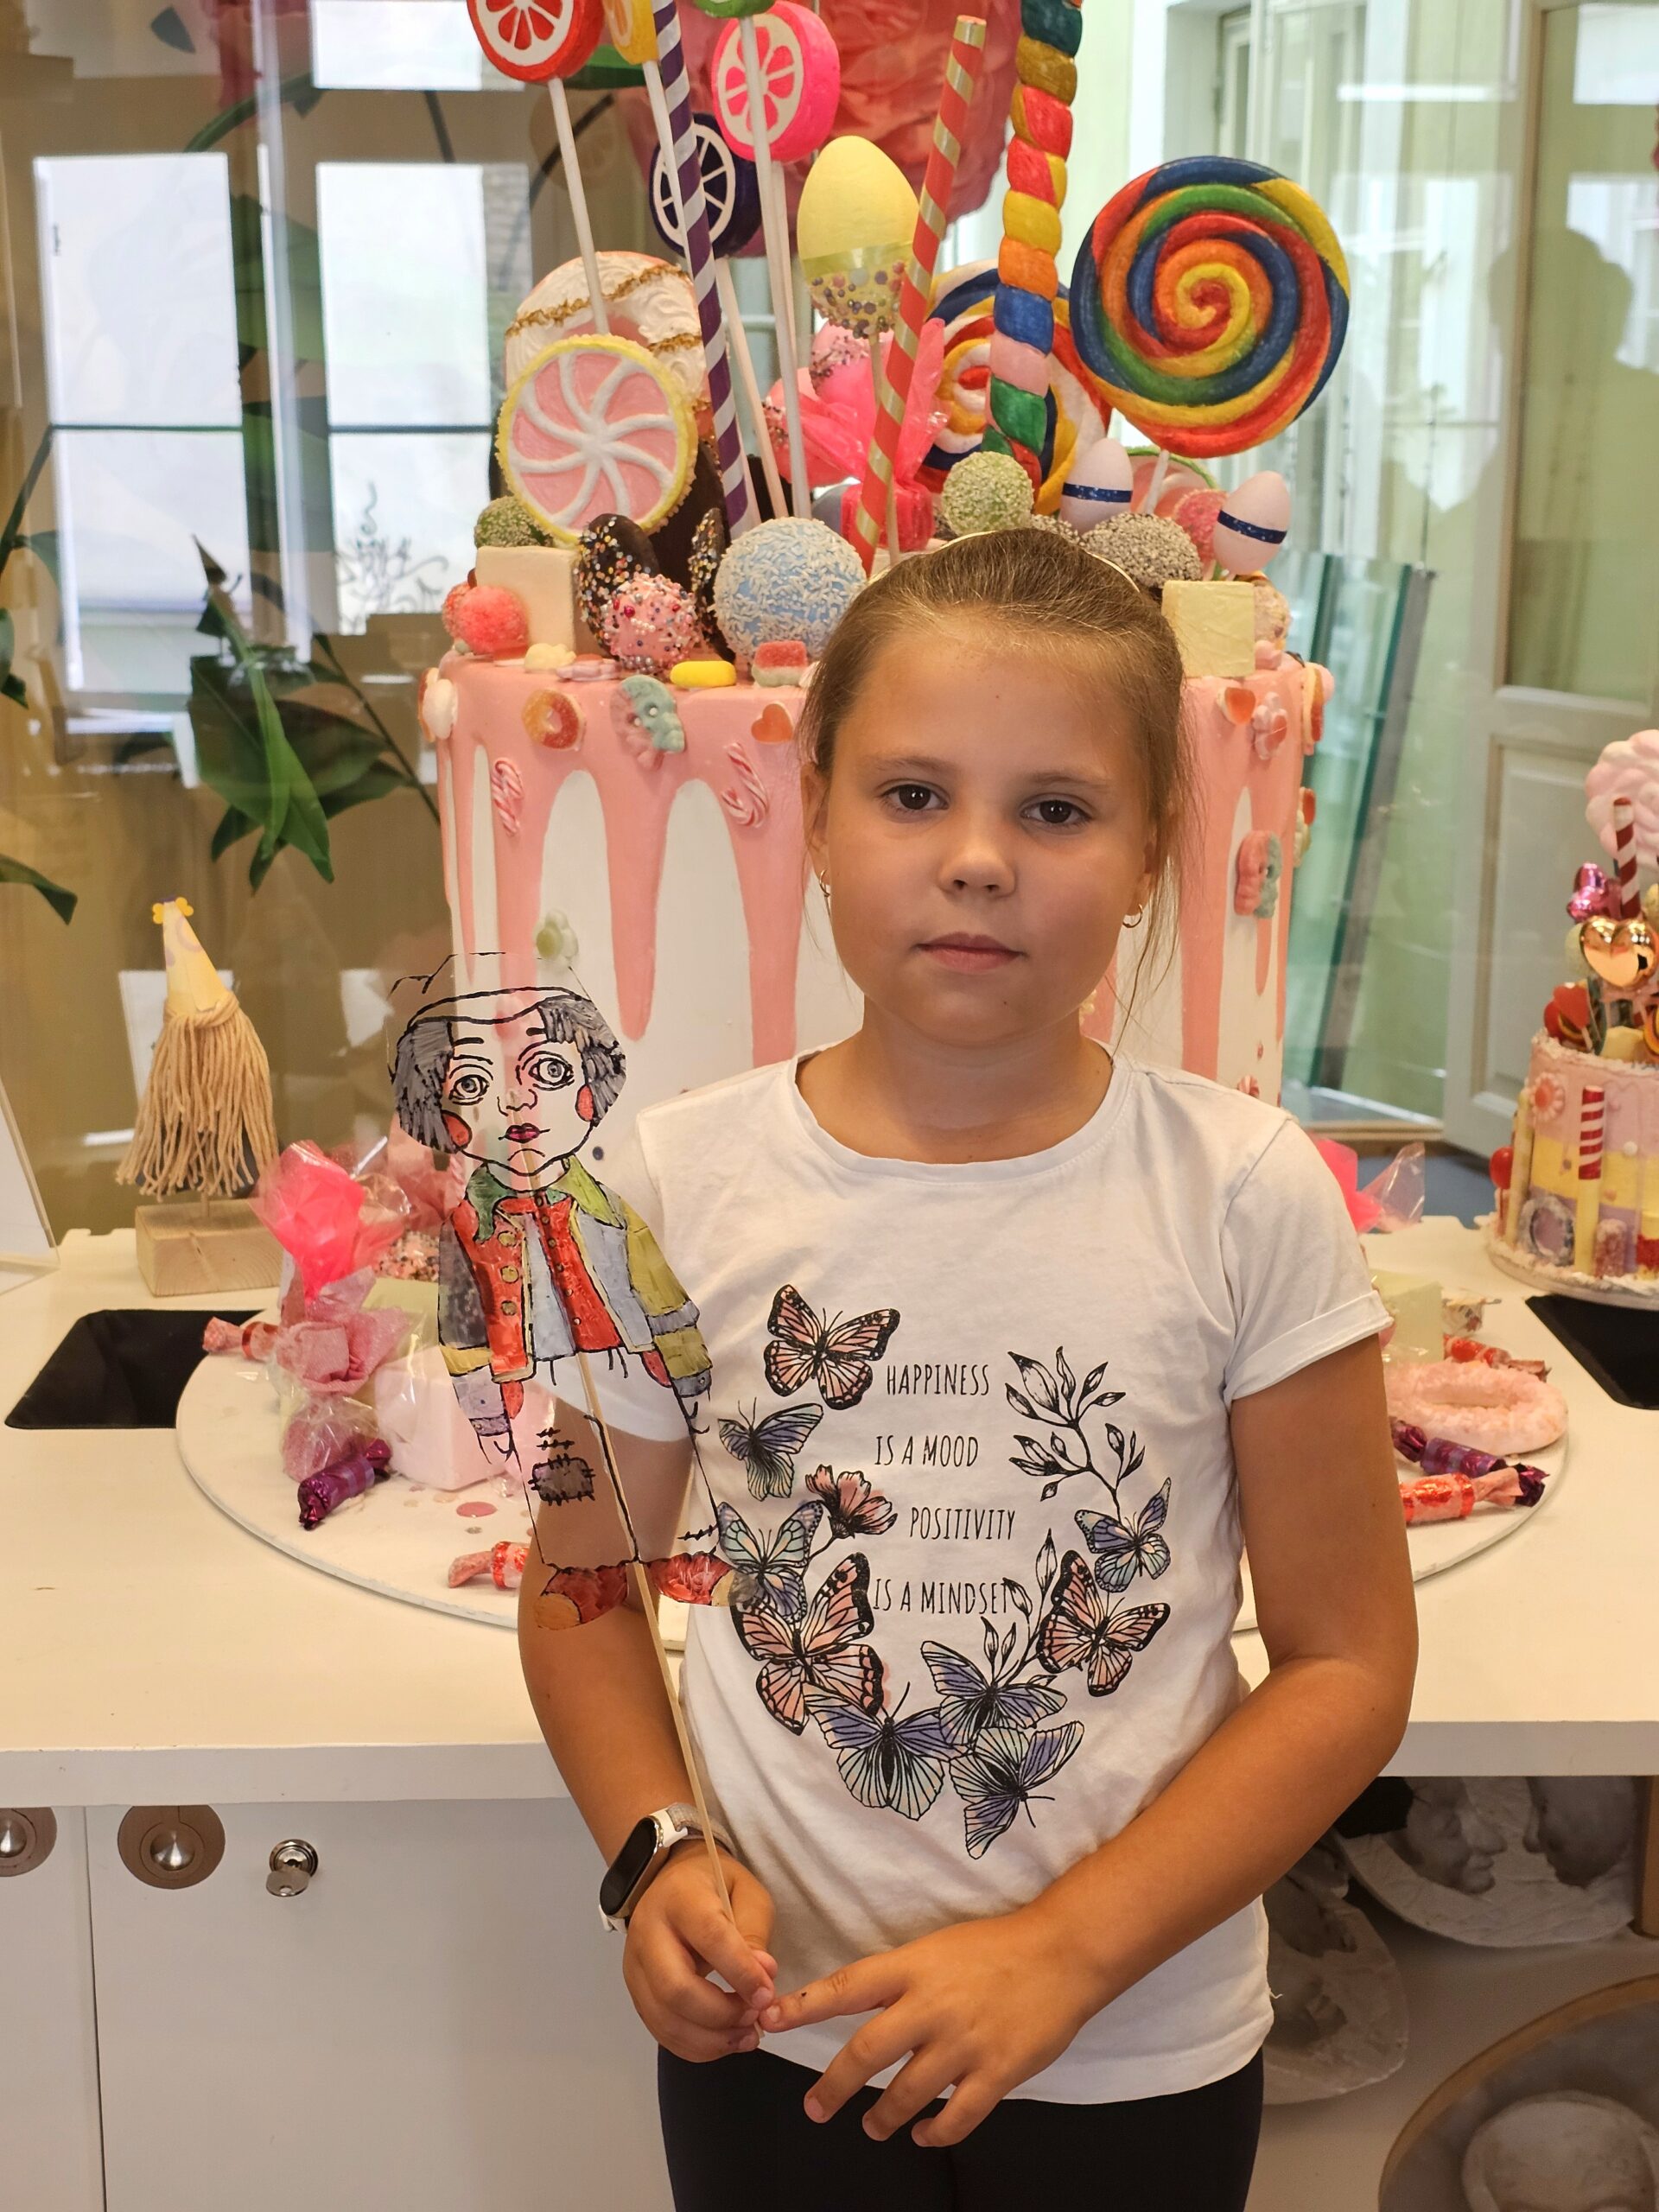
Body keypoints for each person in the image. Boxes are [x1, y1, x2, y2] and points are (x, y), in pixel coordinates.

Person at [518, 531, 1416, 2209]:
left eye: (1057, 809)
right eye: (915, 794)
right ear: (817, 813)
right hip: (776, 2041)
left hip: (1133, 2052)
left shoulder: (1246, 1195)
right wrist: (654, 1849)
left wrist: (1065, 1950)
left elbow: (1348, 1663)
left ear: (1149, 850)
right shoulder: (663, 1184)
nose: (980, 860)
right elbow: (579, 1587)